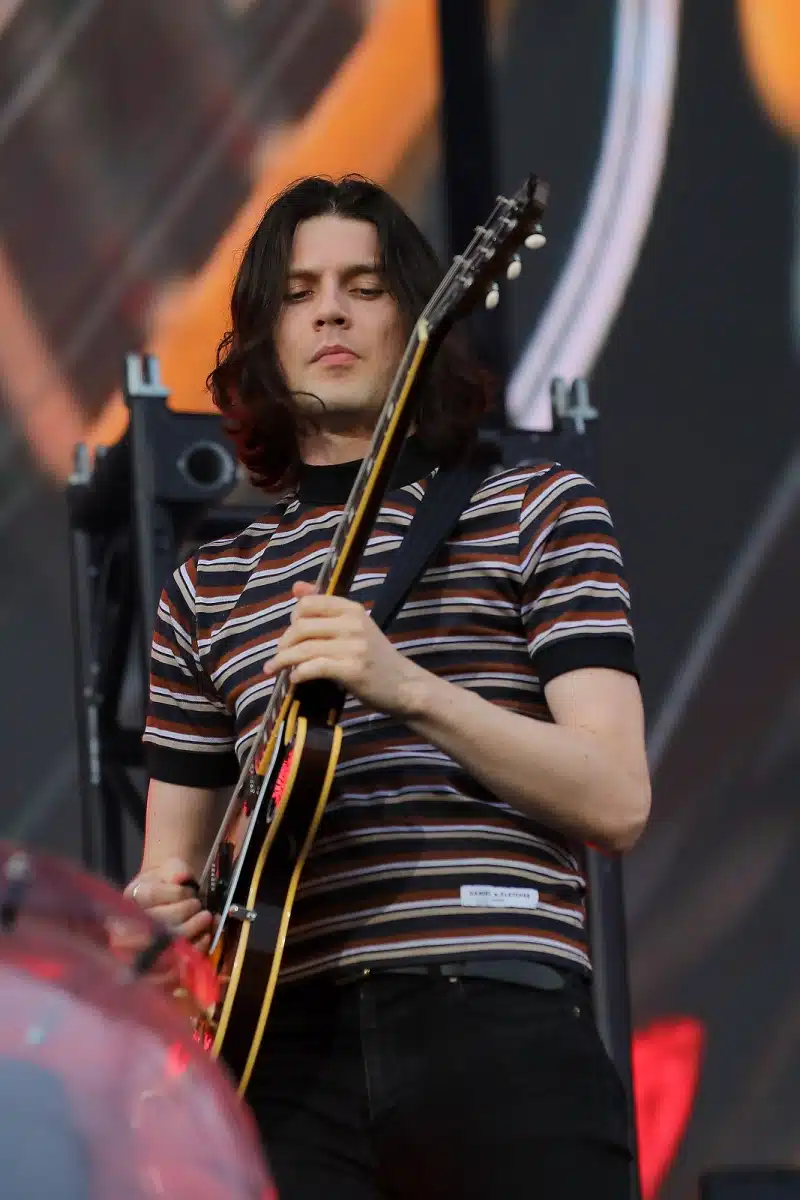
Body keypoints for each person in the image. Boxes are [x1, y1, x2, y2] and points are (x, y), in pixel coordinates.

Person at [126, 175, 651, 1199]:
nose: (330, 311)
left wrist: (407, 687)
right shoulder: (206, 587)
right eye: (299, 293)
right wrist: (157, 921)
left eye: (364, 287)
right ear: (262, 340)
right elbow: (168, 875)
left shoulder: (537, 508)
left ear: (422, 318)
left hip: (494, 1014)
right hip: (283, 1055)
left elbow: (616, 797)